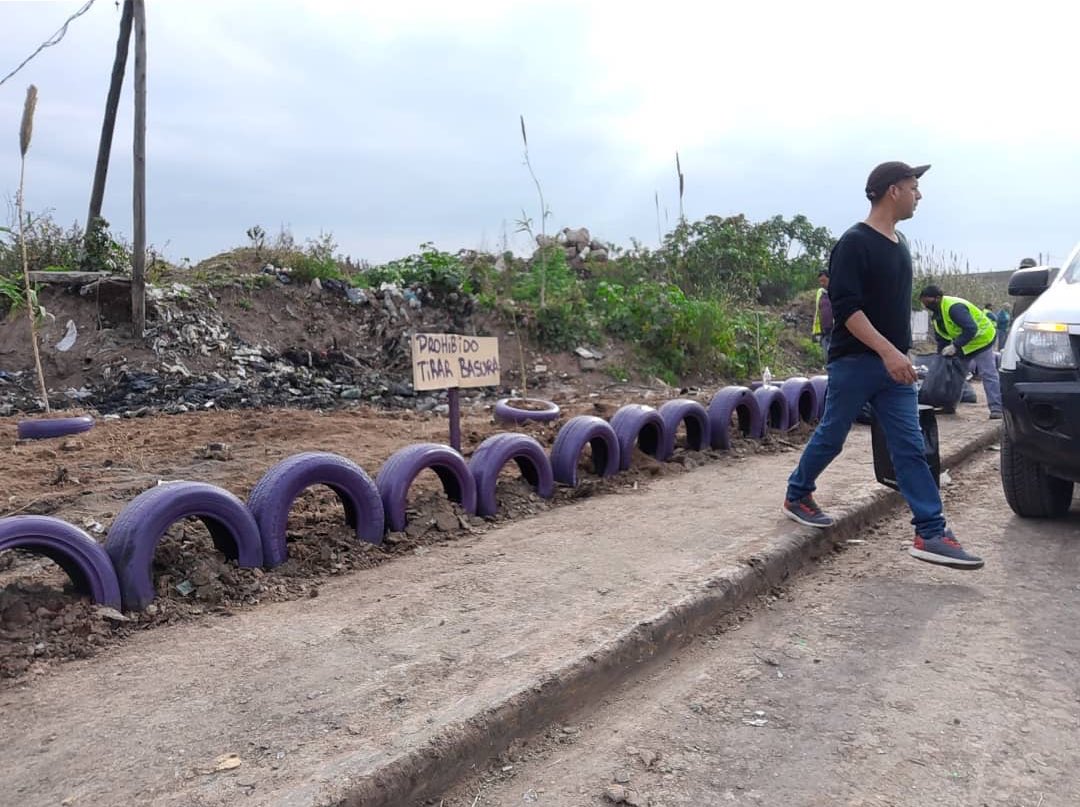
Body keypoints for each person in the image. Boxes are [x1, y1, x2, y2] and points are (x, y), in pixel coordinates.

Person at [780, 161, 983, 570]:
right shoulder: (854, 243)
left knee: (910, 447)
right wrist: (888, 352)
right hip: (856, 362)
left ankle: (930, 531)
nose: (919, 195)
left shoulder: (900, 242)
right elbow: (847, 309)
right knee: (833, 435)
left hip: (895, 369)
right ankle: (797, 493)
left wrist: (900, 353)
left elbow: (891, 309)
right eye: (914, 187)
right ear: (893, 191)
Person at [918, 285, 1002, 420]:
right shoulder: (937, 316)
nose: (926, 305)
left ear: (938, 298)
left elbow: (971, 328)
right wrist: (941, 355)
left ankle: (996, 408)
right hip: (965, 344)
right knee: (956, 374)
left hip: (982, 340)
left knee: (988, 373)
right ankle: (949, 405)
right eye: (924, 303)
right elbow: (942, 338)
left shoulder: (954, 308)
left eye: (927, 302)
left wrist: (955, 346)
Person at [812, 270, 833, 357]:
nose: (822, 283)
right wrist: (815, 332)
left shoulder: (836, 291)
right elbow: (817, 312)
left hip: (835, 329)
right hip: (824, 331)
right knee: (826, 356)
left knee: (834, 355)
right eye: (820, 281)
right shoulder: (820, 293)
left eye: (824, 281)